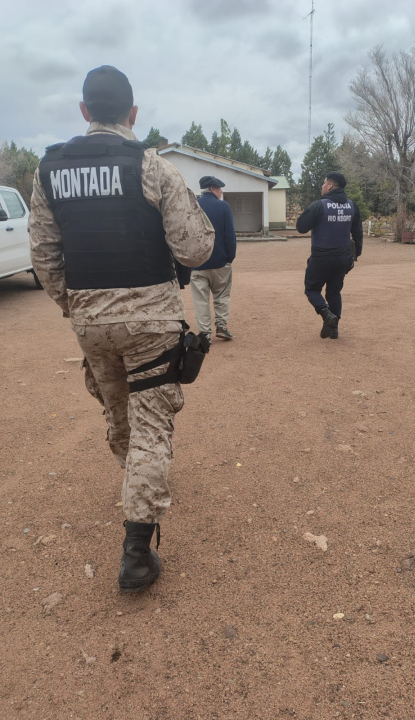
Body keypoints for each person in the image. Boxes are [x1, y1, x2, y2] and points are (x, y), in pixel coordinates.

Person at [29, 66, 214, 592]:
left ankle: (136, 480)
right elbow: (195, 249)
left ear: (84, 111)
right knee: (152, 424)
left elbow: (44, 257)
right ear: (133, 113)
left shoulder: (49, 171)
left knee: (118, 413)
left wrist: (76, 306)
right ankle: (136, 551)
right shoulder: (151, 166)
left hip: (90, 321)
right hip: (151, 320)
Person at [296, 171, 363, 339]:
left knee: (311, 289)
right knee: (334, 293)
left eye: (324, 183)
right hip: (342, 258)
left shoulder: (319, 205)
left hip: (321, 257)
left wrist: (309, 212)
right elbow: (358, 233)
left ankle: (326, 314)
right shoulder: (352, 206)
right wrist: (355, 255)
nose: (322, 186)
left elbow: (301, 227)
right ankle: (333, 329)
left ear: (330, 186)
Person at [190, 176, 236, 343]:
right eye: (219, 188)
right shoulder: (223, 206)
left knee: (200, 300)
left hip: (197, 263)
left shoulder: (192, 206)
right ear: (212, 188)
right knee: (222, 295)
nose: (221, 191)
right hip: (220, 261)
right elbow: (230, 235)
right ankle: (221, 326)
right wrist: (229, 257)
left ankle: (204, 334)